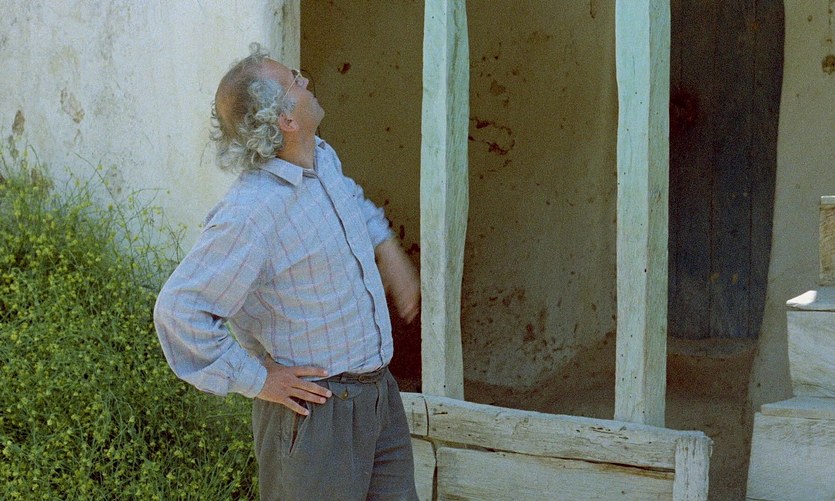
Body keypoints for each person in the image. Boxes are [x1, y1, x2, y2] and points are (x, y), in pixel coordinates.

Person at [154, 43, 421, 501]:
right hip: (315, 413)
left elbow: (352, 201)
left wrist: (388, 250)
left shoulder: (321, 158)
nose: (306, 80)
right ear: (286, 120)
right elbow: (179, 311)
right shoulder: (251, 212)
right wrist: (259, 379)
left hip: (379, 396)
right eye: (295, 79)